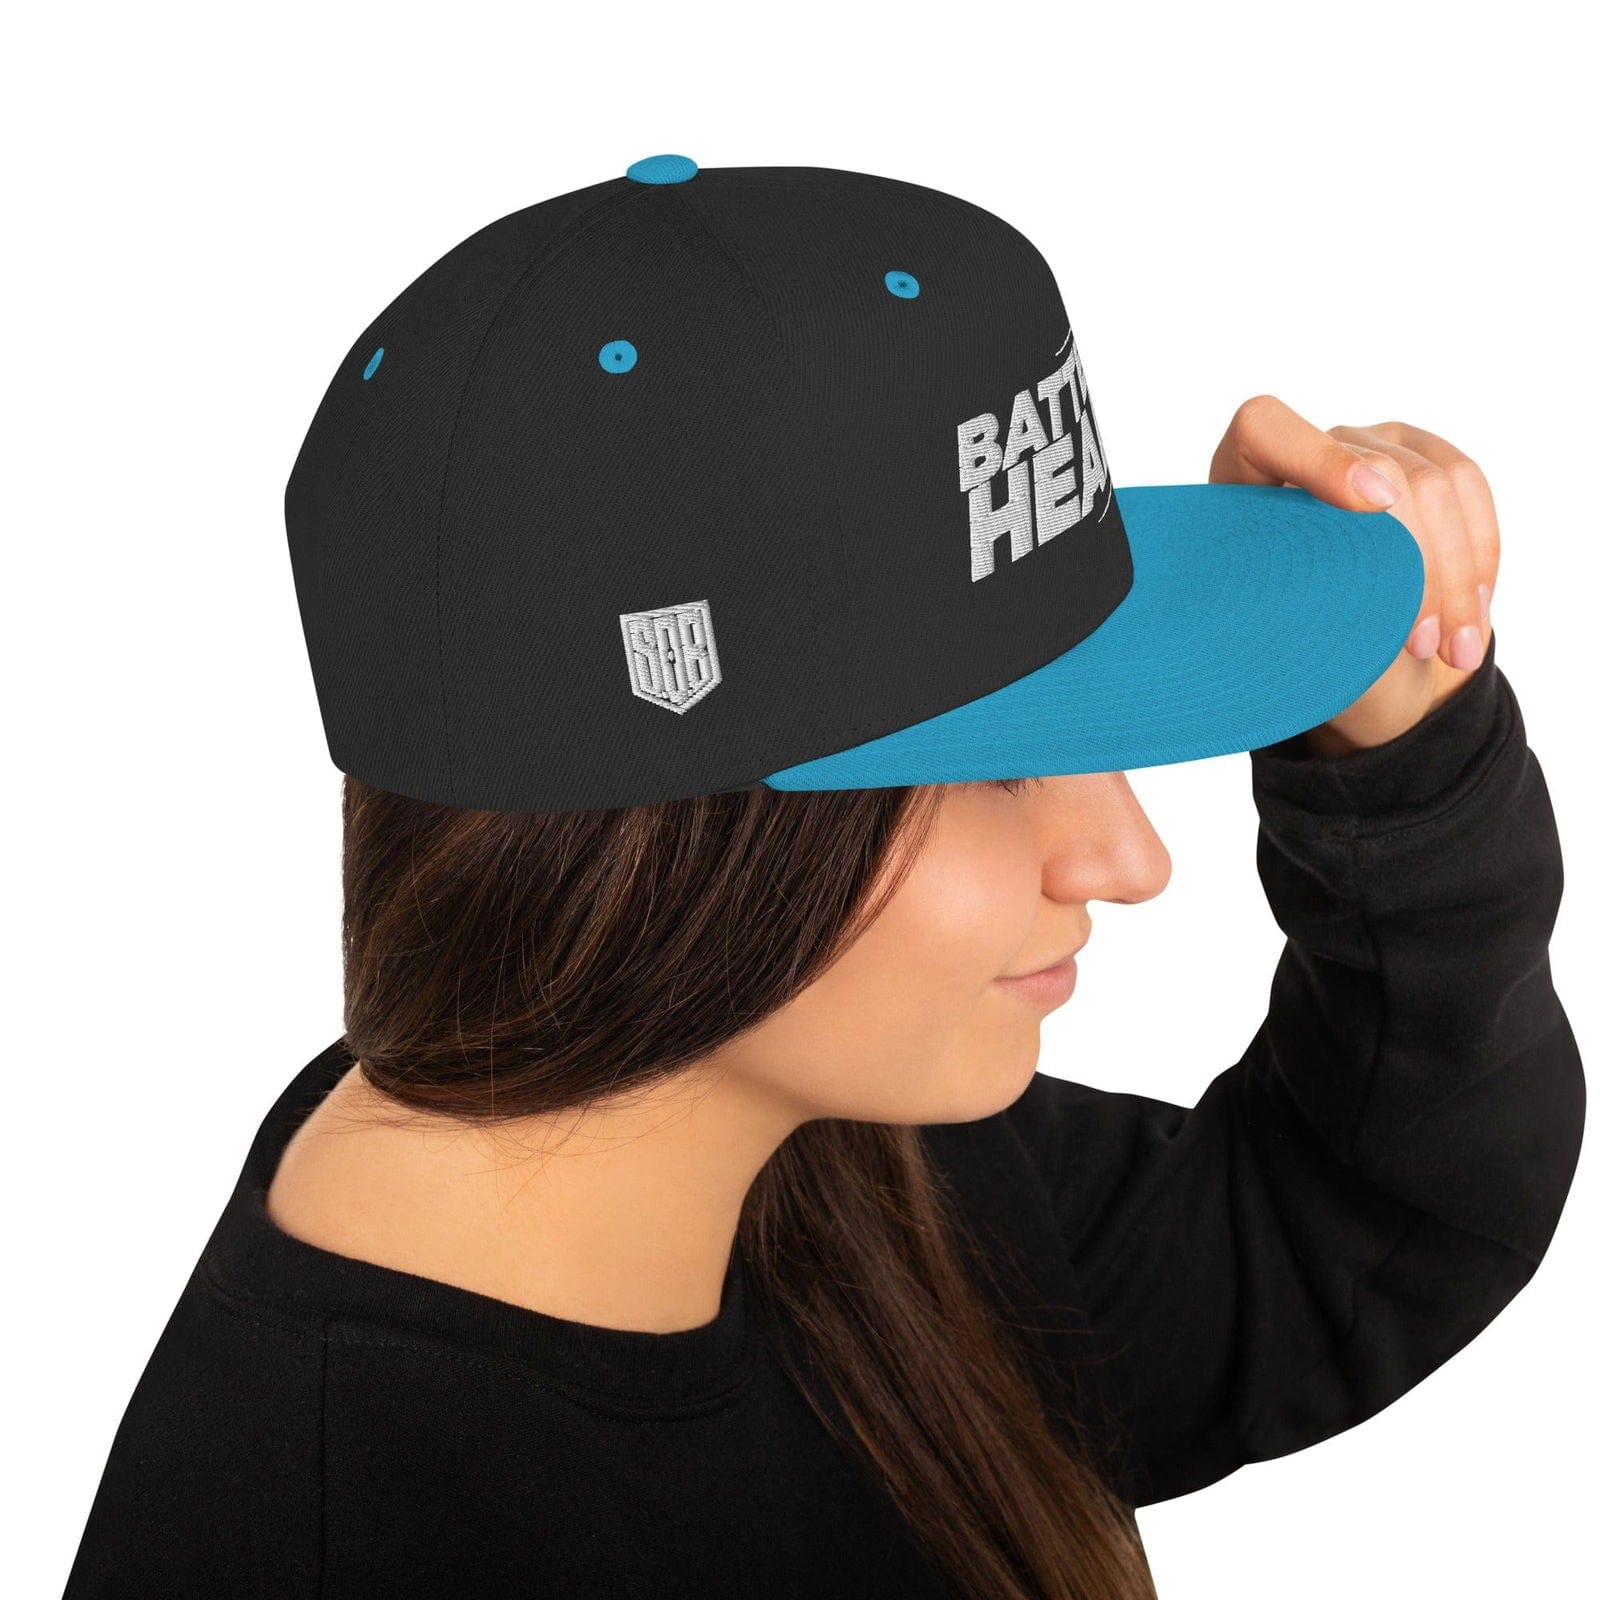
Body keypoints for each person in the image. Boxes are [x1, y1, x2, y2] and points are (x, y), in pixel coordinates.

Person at [62, 158, 1584, 1600]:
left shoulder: (827, 1154)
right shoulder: (329, 1541)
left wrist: (1400, 746)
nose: (1130, 860)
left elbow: (1352, 1228)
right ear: (664, 833)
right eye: (1001, 764)